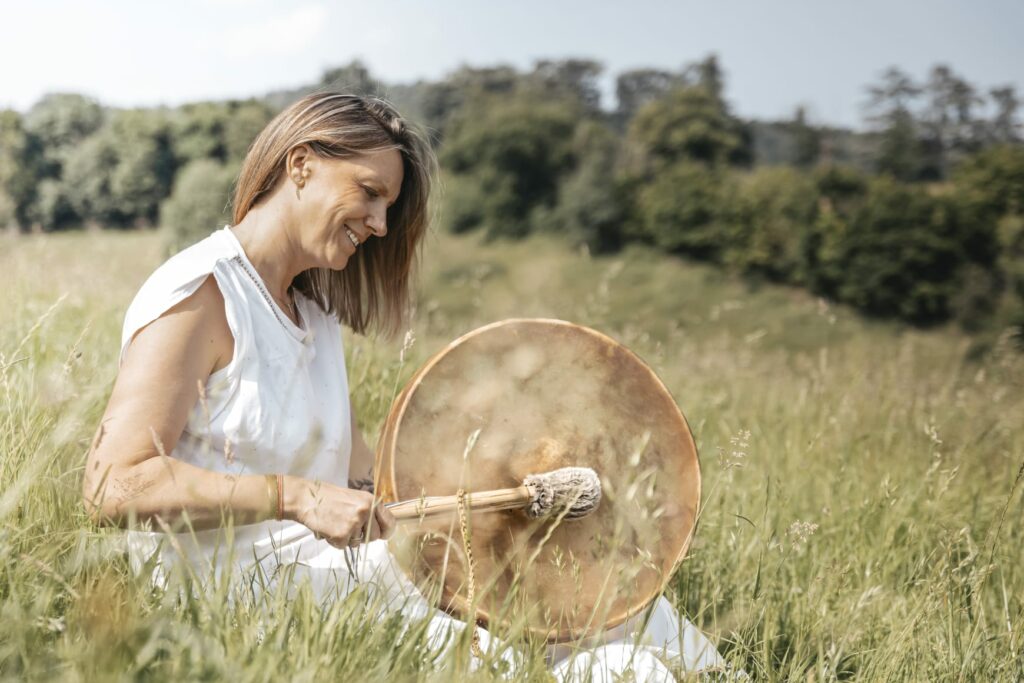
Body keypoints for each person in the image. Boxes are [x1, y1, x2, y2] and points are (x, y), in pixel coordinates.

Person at [82, 92, 738, 681]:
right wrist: (294, 496)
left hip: (331, 573)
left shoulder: (310, 315)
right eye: (370, 192)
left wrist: (487, 504)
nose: (380, 224)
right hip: (230, 594)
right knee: (504, 656)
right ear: (301, 163)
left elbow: (368, 479)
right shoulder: (202, 293)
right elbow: (111, 484)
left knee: (617, 611)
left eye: (388, 205)